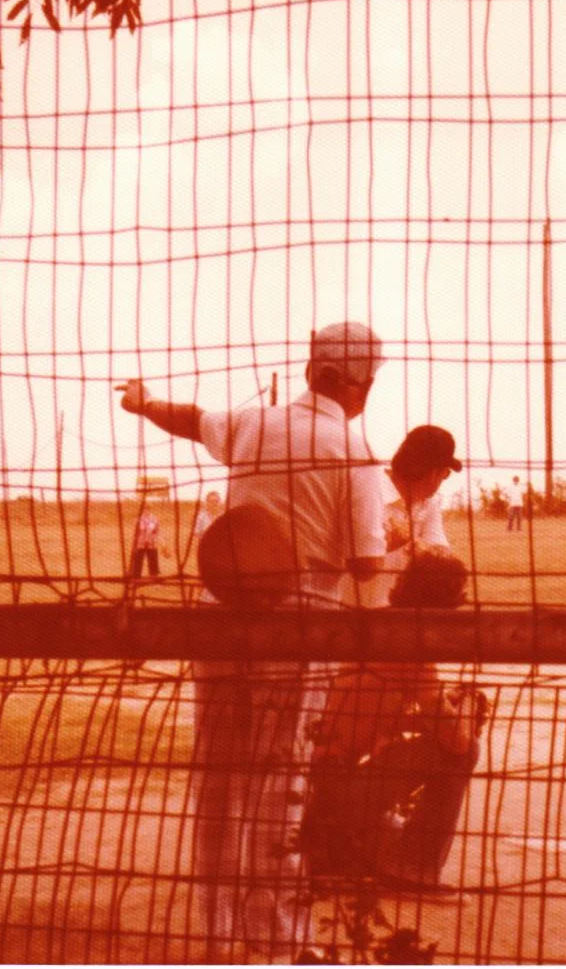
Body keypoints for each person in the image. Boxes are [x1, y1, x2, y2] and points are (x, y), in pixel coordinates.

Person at [117, 320, 387, 960]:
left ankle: (217, 935)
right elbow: (366, 565)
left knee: (217, 785)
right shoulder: (354, 450)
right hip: (299, 625)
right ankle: (276, 942)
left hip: (222, 619)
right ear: (360, 385)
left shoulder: (254, 424)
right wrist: (396, 532)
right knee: (279, 788)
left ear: (310, 371)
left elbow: (192, 420)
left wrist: (144, 403)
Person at [302, 550, 488, 889]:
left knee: (428, 749)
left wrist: (446, 709)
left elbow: (377, 715)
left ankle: (341, 852)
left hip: (319, 785)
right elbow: (457, 743)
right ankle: (413, 868)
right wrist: (467, 704)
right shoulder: (411, 646)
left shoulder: (382, 624)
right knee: (465, 751)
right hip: (334, 791)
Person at [374, 425, 461, 607]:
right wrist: (386, 543)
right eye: (445, 473)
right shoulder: (370, 491)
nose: (442, 480)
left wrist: (425, 552)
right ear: (433, 473)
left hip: (398, 610)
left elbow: (442, 553)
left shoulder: (430, 501)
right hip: (351, 609)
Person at [129, 504, 161, 581]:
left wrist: (154, 539)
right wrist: (136, 540)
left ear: (149, 510)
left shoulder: (154, 519)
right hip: (141, 542)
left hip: (151, 541)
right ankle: (136, 574)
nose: (145, 511)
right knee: (138, 558)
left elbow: (156, 531)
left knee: (152, 557)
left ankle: (154, 574)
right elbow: (137, 532)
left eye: (147, 509)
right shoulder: (139, 519)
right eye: (144, 509)